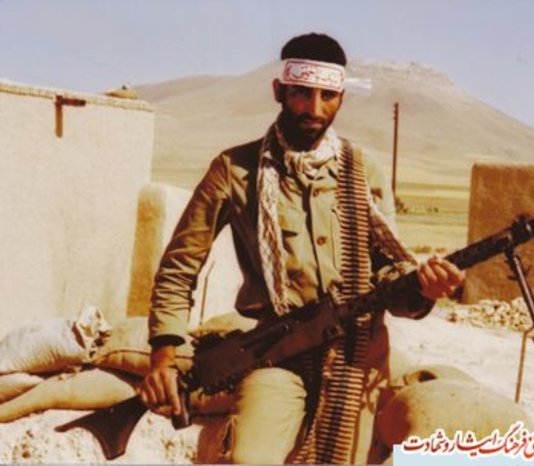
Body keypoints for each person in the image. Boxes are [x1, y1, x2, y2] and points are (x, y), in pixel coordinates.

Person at [139, 32, 464, 464]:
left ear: (341, 98)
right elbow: (179, 268)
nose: (314, 108)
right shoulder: (235, 170)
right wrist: (163, 354)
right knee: (247, 459)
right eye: (301, 93)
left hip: (355, 354)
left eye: (328, 96)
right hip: (276, 353)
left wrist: (423, 289)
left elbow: (387, 276)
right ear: (279, 91)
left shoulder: (362, 172)